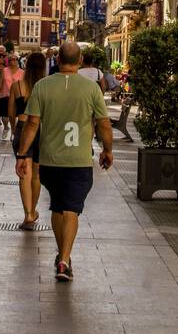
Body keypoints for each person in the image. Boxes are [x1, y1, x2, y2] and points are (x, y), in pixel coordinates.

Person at [16, 39, 113, 282]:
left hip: (49, 160)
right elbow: (103, 123)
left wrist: (22, 154)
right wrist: (107, 150)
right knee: (71, 209)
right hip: (79, 160)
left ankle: (63, 255)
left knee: (58, 207)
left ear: (58, 61)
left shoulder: (42, 86)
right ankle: (63, 259)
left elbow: (32, 124)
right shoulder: (91, 88)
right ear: (80, 62)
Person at [9, 51, 46, 230]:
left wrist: (13, 128)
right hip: (40, 129)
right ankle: (33, 209)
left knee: (24, 173)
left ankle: (28, 215)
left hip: (23, 127)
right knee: (36, 174)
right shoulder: (45, 87)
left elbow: (11, 113)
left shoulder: (17, 85)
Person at [0, 52, 20, 139]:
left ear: (17, 61)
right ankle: (6, 127)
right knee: (4, 117)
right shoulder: (4, 70)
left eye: (14, 59)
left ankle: (13, 132)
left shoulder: (22, 72)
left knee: (14, 116)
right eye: (10, 60)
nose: (12, 61)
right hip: (5, 95)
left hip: (17, 96)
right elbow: (0, 83)